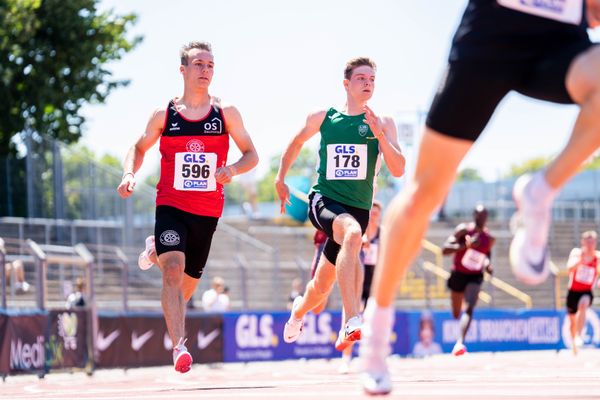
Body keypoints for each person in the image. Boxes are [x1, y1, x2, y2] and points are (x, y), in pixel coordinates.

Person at [360, 1, 600, 394]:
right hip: (491, 36)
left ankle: (541, 190)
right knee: (424, 193)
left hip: (559, 42)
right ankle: (375, 332)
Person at [117, 41, 258, 373]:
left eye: (210, 65)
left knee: (186, 286)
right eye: (198, 64)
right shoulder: (164, 114)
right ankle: (179, 347)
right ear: (183, 70)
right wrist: (128, 173)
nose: (205, 70)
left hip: (207, 213)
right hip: (171, 205)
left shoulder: (226, 113)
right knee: (172, 271)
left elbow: (252, 154)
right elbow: (137, 148)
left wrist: (232, 170)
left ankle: (154, 251)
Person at [275, 57, 405, 353]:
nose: (367, 83)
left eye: (372, 79)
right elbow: (295, 144)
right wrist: (281, 179)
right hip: (325, 200)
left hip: (357, 207)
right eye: (361, 78)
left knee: (320, 288)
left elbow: (398, 169)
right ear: (346, 84)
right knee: (353, 233)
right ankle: (352, 319)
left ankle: (298, 312)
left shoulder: (383, 123)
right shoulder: (324, 117)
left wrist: (379, 135)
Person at [442, 205, 494, 356]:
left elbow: (486, 256)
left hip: (475, 275)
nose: (482, 219)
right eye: (479, 216)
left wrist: (488, 265)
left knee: (470, 307)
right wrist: (465, 245)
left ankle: (460, 342)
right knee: (456, 313)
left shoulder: (488, 237)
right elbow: (445, 249)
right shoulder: (463, 230)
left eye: (484, 216)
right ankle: (459, 335)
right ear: (474, 216)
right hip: (458, 273)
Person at [339, 200, 384, 374]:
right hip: (358, 280)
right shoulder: (358, 231)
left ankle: (371, 358)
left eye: (376, 213)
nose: (373, 216)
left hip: (374, 282)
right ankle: (346, 359)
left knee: (373, 321)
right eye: (371, 212)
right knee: (351, 318)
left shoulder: (383, 234)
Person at [565, 230, 600, 354]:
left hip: (586, 291)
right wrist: (581, 261)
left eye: (593, 241)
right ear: (583, 242)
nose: (590, 244)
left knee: (583, 305)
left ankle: (579, 335)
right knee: (572, 322)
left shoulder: (598, 257)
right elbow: (569, 269)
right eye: (588, 241)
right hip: (573, 291)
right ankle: (574, 341)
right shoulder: (576, 253)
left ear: (595, 242)